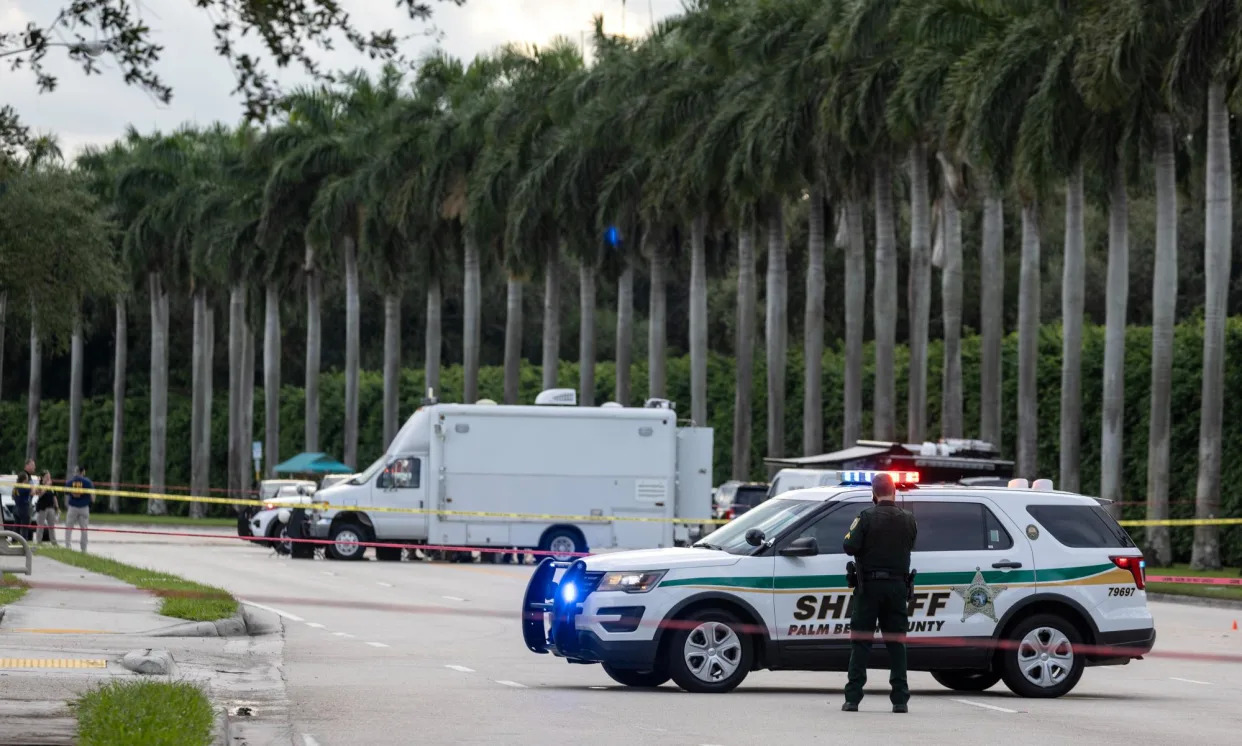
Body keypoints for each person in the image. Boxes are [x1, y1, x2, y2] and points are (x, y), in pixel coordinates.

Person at [841, 472, 918, 713]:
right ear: (894, 491)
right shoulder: (908, 519)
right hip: (897, 588)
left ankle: (852, 698)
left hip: (869, 588)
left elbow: (849, 546)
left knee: (861, 642)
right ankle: (900, 700)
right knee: (897, 643)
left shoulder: (865, 517)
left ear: (873, 494)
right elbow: (911, 543)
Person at [64, 465, 94, 552]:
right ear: (83, 472)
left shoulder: (70, 482)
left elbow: (66, 491)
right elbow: (92, 496)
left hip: (73, 507)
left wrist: (73, 493)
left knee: (69, 528)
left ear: (76, 471)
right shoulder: (88, 482)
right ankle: (83, 549)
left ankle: (67, 547)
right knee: (84, 530)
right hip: (84, 507)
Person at [11, 459, 36, 541]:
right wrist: (32, 487)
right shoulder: (25, 486)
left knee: (17, 526)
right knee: (25, 527)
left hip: (16, 507)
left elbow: (12, 496)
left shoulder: (16, 486)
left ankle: (14, 540)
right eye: (32, 465)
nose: (28, 480)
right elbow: (32, 492)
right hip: (24, 507)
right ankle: (24, 542)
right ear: (25, 479)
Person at [34, 470, 60, 546]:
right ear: (42, 478)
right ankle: (39, 542)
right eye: (46, 477)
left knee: (51, 526)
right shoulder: (39, 485)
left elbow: (54, 497)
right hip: (42, 508)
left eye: (49, 477)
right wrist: (46, 486)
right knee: (40, 526)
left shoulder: (51, 486)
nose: (48, 478)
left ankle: (53, 542)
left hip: (51, 507)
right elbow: (40, 494)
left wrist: (57, 507)